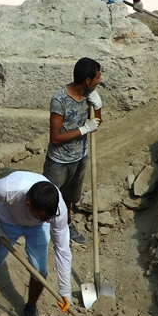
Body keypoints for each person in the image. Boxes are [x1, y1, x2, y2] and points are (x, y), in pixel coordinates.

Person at [0, 171, 72, 316]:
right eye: (44, 217)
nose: (50, 220)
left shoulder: (57, 211)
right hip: (8, 219)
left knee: (39, 271)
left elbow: (62, 249)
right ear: (29, 205)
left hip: (37, 226)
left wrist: (65, 290)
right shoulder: (8, 189)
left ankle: (30, 307)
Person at [42, 58, 104, 247]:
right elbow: (55, 137)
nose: (100, 80)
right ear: (87, 79)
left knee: (69, 196)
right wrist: (83, 130)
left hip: (80, 157)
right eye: (97, 76)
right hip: (59, 161)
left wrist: (98, 107)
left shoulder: (89, 95)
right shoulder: (60, 100)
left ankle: (66, 224)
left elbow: (96, 123)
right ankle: (43, 229)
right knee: (49, 196)